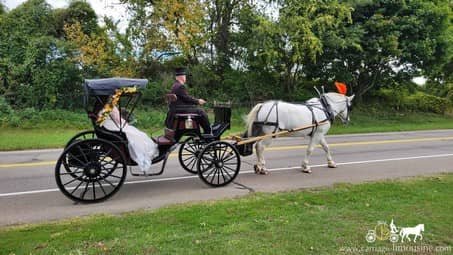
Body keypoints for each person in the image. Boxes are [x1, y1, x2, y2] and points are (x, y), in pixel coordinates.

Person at [100, 106, 159, 173]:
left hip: (106, 125)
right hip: (112, 126)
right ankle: (142, 152)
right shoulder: (110, 106)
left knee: (136, 133)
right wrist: (125, 122)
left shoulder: (103, 107)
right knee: (138, 135)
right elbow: (117, 119)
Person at [165, 67, 211, 134]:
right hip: (179, 109)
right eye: (185, 76)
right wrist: (198, 101)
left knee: (197, 109)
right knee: (201, 111)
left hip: (176, 108)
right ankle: (208, 132)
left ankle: (205, 131)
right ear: (182, 77)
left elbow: (184, 98)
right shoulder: (180, 86)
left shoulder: (174, 85)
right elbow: (187, 98)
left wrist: (194, 102)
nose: (185, 78)